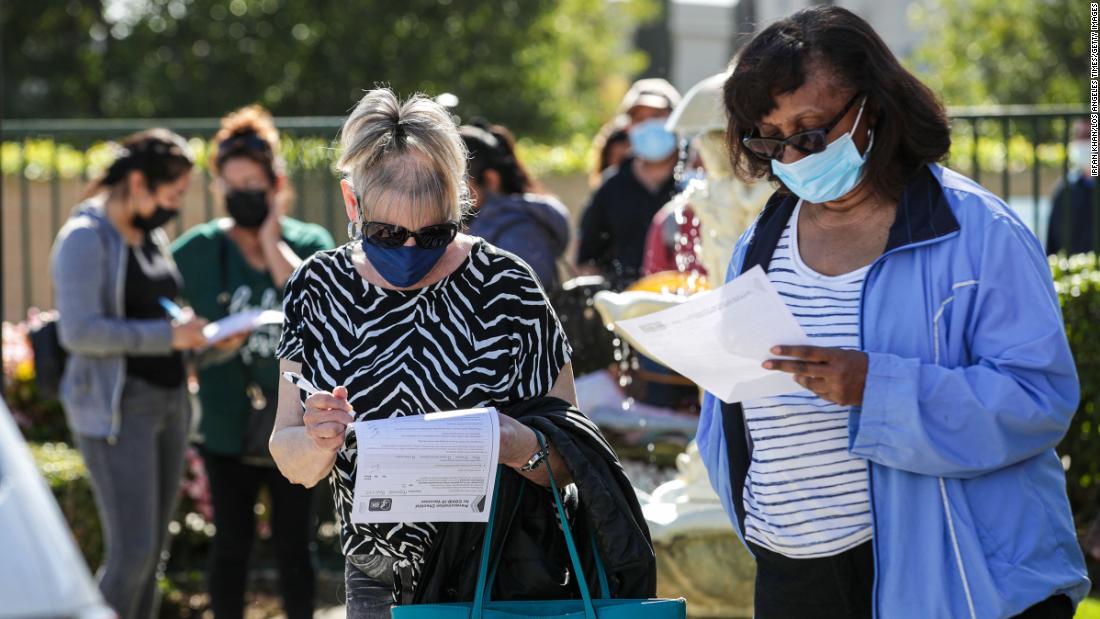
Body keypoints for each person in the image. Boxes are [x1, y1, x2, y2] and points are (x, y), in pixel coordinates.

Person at [695, 7, 1088, 619]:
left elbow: (1039, 398)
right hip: (795, 575)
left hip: (953, 580)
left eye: (810, 133)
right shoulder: (758, 243)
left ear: (872, 108)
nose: (793, 157)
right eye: (769, 138)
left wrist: (877, 387)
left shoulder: (977, 230)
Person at [269, 88, 585, 618]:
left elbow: (575, 456)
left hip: (500, 577)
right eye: (387, 234)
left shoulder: (507, 286)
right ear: (353, 203)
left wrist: (511, 443)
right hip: (376, 582)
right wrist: (319, 441)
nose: (412, 251)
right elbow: (289, 453)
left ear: (461, 204)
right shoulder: (317, 287)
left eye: (435, 233)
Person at [171, 105, 334, 619]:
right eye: (232, 184)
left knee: (295, 548)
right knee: (231, 546)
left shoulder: (310, 244)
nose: (243, 193)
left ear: (276, 184)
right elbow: (173, 331)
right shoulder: (196, 250)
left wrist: (270, 240)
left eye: (254, 184)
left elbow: (323, 303)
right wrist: (205, 345)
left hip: (297, 424)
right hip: (226, 424)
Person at [49, 129, 210, 619]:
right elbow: (78, 332)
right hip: (118, 411)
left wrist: (201, 338)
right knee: (132, 554)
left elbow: (158, 308)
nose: (176, 205)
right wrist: (167, 337)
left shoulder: (149, 236)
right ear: (138, 182)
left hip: (168, 404)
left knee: (153, 554)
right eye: (173, 192)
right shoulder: (84, 238)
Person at [576, 78, 682, 289]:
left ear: (676, 119)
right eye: (639, 118)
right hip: (625, 309)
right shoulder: (611, 187)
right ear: (628, 127)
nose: (648, 124)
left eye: (656, 116)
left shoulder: (696, 184)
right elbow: (587, 258)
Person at [460, 122, 570, 294]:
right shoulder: (485, 227)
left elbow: (519, 304)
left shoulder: (518, 233)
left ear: (491, 180)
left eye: (460, 184)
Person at [1046, 120, 1098, 255]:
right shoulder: (1066, 188)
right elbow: (1053, 245)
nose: (1082, 143)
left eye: (1088, 136)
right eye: (1078, 136)